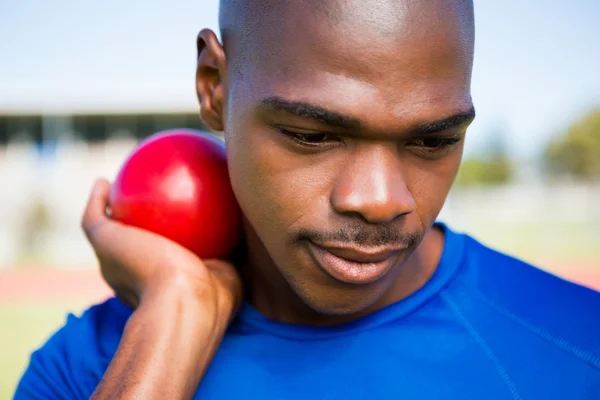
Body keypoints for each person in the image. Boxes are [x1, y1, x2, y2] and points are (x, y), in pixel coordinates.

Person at [15, 0, 600, 399]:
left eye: (432, 140)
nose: (378, 201)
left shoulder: (580, 351)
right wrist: (179, 313)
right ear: (214, 87)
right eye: (312, 135)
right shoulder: (85, 371)